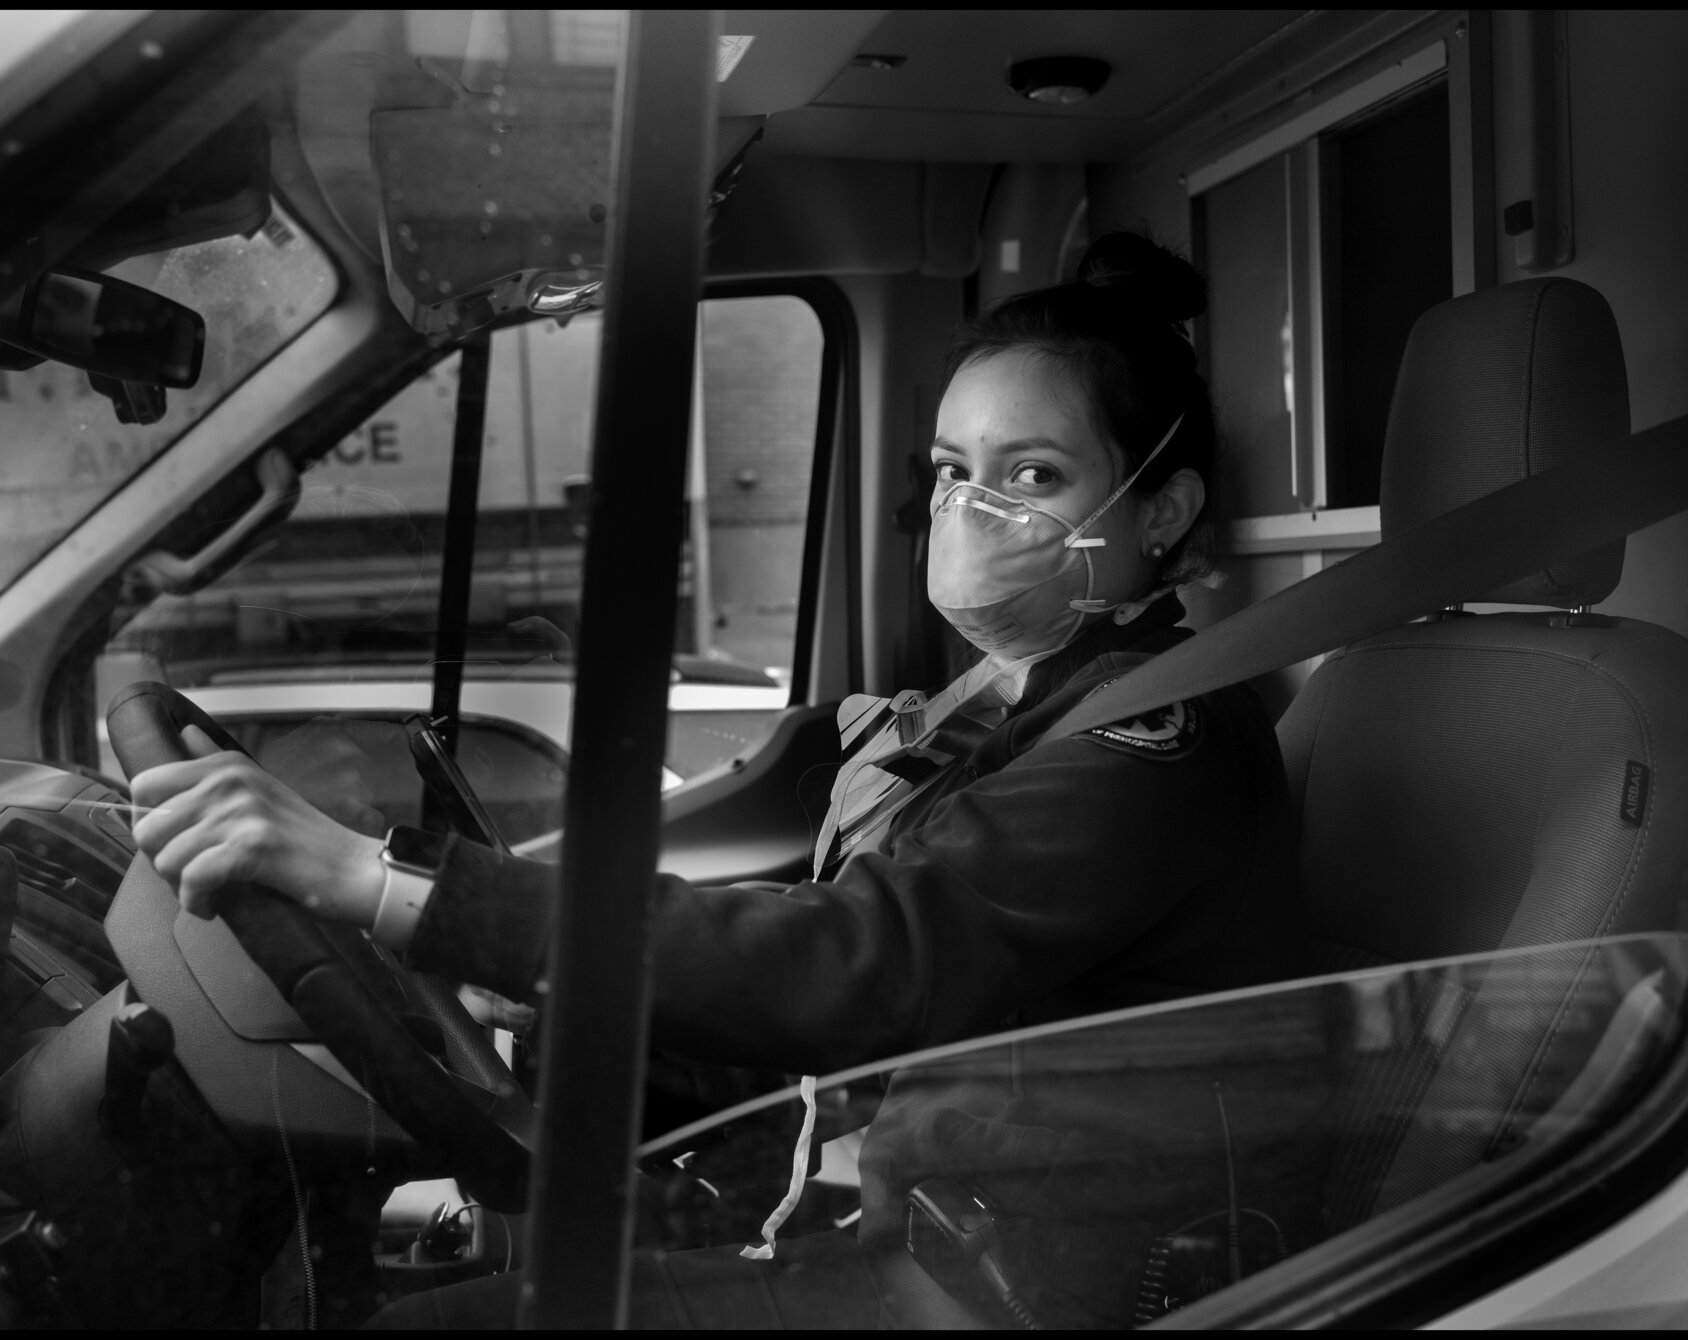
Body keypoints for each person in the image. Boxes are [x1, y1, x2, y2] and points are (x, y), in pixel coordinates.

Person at [130, 233, 1302, 1327]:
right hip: (938, 1226)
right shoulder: (1016, 701)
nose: (966, 509)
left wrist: (374, 876)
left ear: (1162, 508)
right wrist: (563, 1016)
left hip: (1014, 1288)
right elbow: (869, 1025)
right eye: (951, 469)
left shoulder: (1157, 736)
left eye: (1032, 473)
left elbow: (867, 963)